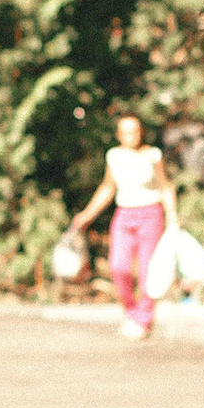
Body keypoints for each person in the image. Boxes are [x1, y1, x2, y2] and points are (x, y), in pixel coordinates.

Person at [69, 114, 176, 339]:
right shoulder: (114, 156)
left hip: (151, 213)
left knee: (149, 271)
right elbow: (107, 188)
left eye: (135, 131)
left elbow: (165, 186)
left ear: (141, 133)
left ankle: (144, 319)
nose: (131, 136)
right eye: (125, 131)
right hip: (124, 215)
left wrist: (172, 216)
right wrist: (87, 214)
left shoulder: (152, 155)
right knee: (118, 267)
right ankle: (132, 313)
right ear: (119, 135)